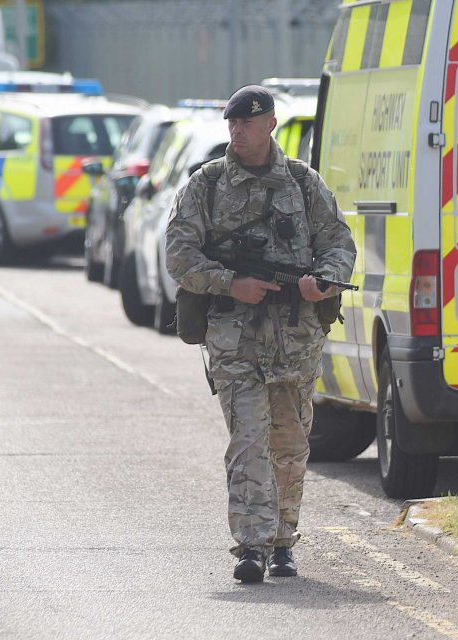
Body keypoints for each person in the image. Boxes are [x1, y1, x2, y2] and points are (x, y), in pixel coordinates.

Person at [165, 85, 356, 583]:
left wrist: (323, 282)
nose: (238, 131)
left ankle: (282, 540)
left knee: (289, 445)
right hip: (234, 339)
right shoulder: (206, 185)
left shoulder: (302, 183)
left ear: (270, 123)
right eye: (232, 123)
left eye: (248, 123)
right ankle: (250, 545)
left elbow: (338, 242)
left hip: (294, 339)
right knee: (248, 442)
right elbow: (180, 258)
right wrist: (232, 282)